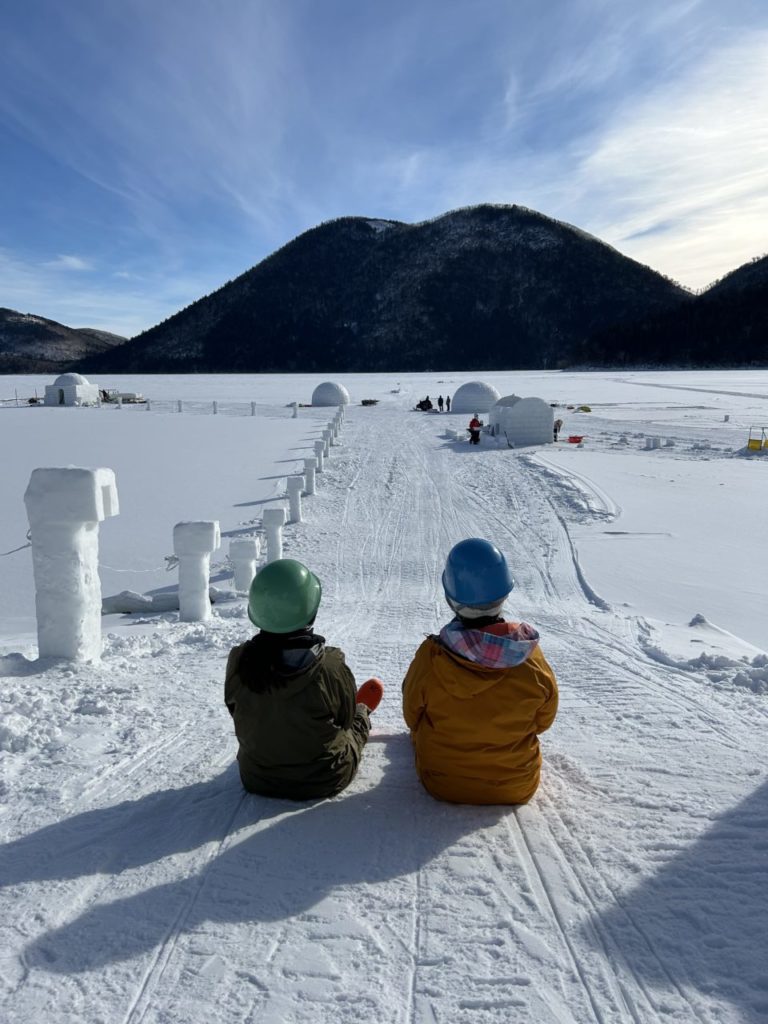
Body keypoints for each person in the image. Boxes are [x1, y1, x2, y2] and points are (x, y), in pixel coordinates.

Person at [402, 538, 558, 804]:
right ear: (504, 594)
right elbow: (543, 722)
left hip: (443, 784)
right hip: (517, 786)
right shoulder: (530, 659)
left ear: (451, 599)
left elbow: (412, 717)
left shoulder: (432, 658)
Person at [225, 558, 383, 800]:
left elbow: (234, 708)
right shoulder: (330, 667)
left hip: (257, 777)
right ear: (310, 612)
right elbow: (345, 719)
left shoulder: (240, 660)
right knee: (353, 724)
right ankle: (364, 711)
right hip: (324, 779)